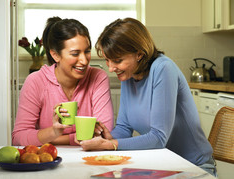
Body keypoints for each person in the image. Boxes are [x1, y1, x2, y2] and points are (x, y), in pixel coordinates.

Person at [78, 18, 217, 176]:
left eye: (117, 61)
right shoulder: (129, 74)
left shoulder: (163, 69)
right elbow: (124, 127)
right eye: (107, 61)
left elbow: (158, 138)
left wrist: (110, 145)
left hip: (193, 168)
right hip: (163, 165)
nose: (111, 68)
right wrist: (104, 138)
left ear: (139, 54)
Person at [12, 16, 113, 146]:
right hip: (47, 158)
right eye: (75, 54)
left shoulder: (98, 77)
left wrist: (46, 138)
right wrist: (54, 132)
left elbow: (104, 132)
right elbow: (18, 137)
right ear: (55, 55)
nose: (84, 60)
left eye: (87, 51)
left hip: (88, 156)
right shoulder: (36, 81)